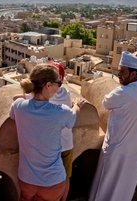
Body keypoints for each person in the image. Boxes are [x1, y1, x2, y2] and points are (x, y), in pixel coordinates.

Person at [10, 63, 85, 201]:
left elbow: (14, 110)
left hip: (26, 179)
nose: (60, 86)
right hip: (52, 181)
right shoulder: (60, 112)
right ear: (48, 85)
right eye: (59, 83)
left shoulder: (18, 106)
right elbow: (72, 116)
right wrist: (76, 106)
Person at [89, 51, 137, 201]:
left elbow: (106, 102)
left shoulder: (122, 92)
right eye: (119, 70)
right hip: (135, 151)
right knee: (125, 183)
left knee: (106, 181)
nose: (119, 74)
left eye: (123, 71)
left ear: (133, 74)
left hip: (117, 148)